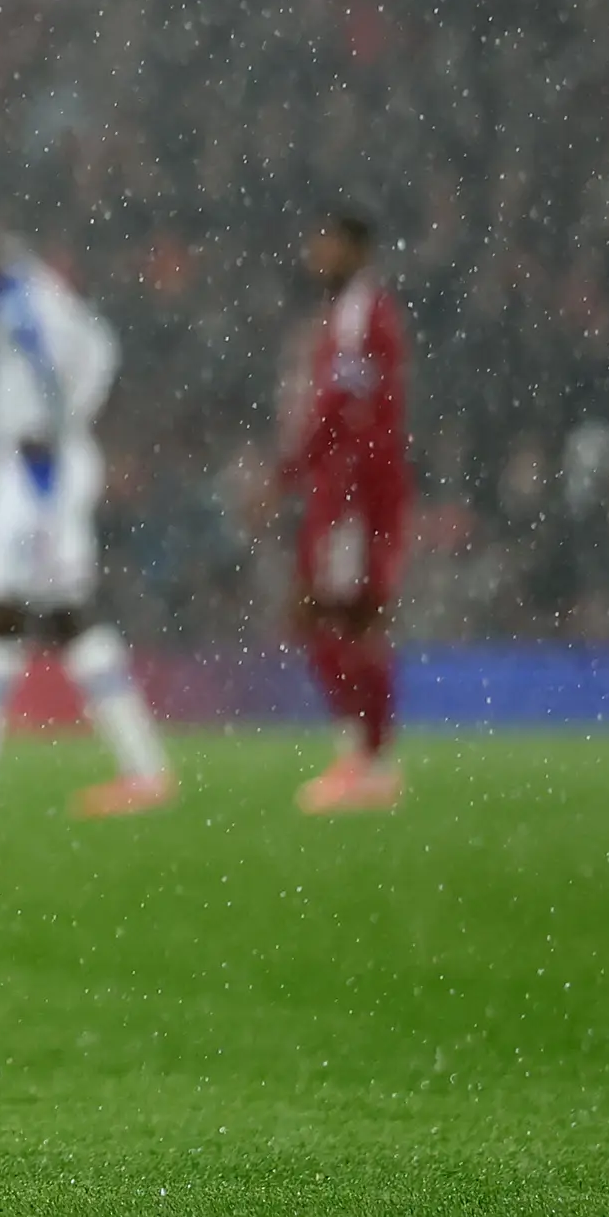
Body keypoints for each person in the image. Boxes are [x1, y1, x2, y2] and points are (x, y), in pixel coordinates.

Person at [0, 237, 173, 818]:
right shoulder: (19, 299)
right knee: (21, 615)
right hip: (26, 471)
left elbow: (95, 351)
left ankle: (141, 772)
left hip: (41, 478)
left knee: (52, 614)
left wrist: (60, 427)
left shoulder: (24, 306)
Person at [273, 209, 410, 812]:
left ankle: (368, 761)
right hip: (345, 486)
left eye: (324, 243)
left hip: (353, 489)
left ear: (354, 248)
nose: (313, 254)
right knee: (331, 617)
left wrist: (294, 469)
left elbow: (344, 404)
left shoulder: (360, 314)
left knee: (337, 617)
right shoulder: (350, 314)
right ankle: (366, 756)